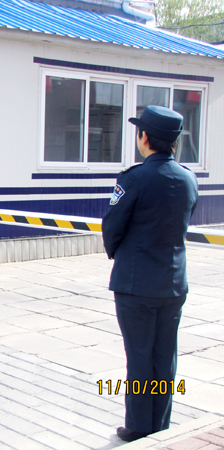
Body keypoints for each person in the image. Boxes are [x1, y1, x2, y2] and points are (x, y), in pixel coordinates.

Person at [102, 105, 199, 442]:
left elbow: (113, 227)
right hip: (173, 281)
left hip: (136, 284)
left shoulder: (134, 177)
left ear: (144, 137)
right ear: (174, 141)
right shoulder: (188, 178)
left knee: (140, 355)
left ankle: (139, 425)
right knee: (164, 355)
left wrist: (122, 255)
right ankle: (160, 422)